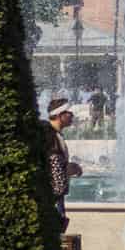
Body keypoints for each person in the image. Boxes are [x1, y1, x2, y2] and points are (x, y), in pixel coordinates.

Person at [42, 97, 82, 227]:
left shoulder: (55, 135)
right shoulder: (49, 136)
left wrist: (69, 167)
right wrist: (67, 169)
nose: (72, 115)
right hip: (51, 198)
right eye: (69, 113)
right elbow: (52, 166)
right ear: (60, 115)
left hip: (55, 198)